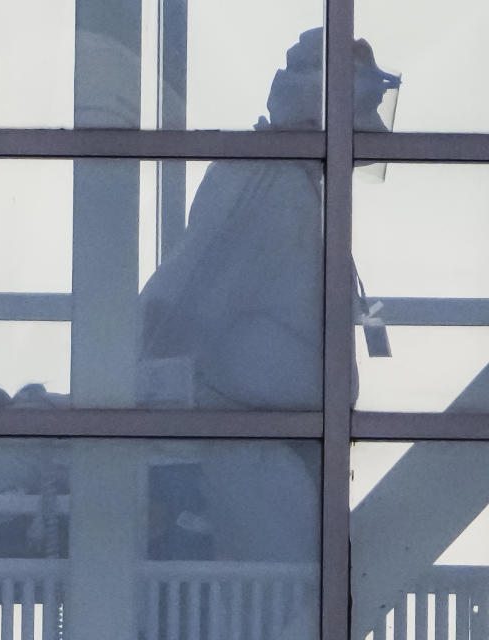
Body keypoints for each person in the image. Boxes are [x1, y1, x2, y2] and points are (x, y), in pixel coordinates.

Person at [138, 28, 398, 409]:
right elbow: (183, 304)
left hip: (283, 437)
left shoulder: (295, 185)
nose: (377, 123)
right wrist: (116, 395)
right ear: (328, 100)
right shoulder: (267, 182)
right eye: (367, 102)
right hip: (252, 443)